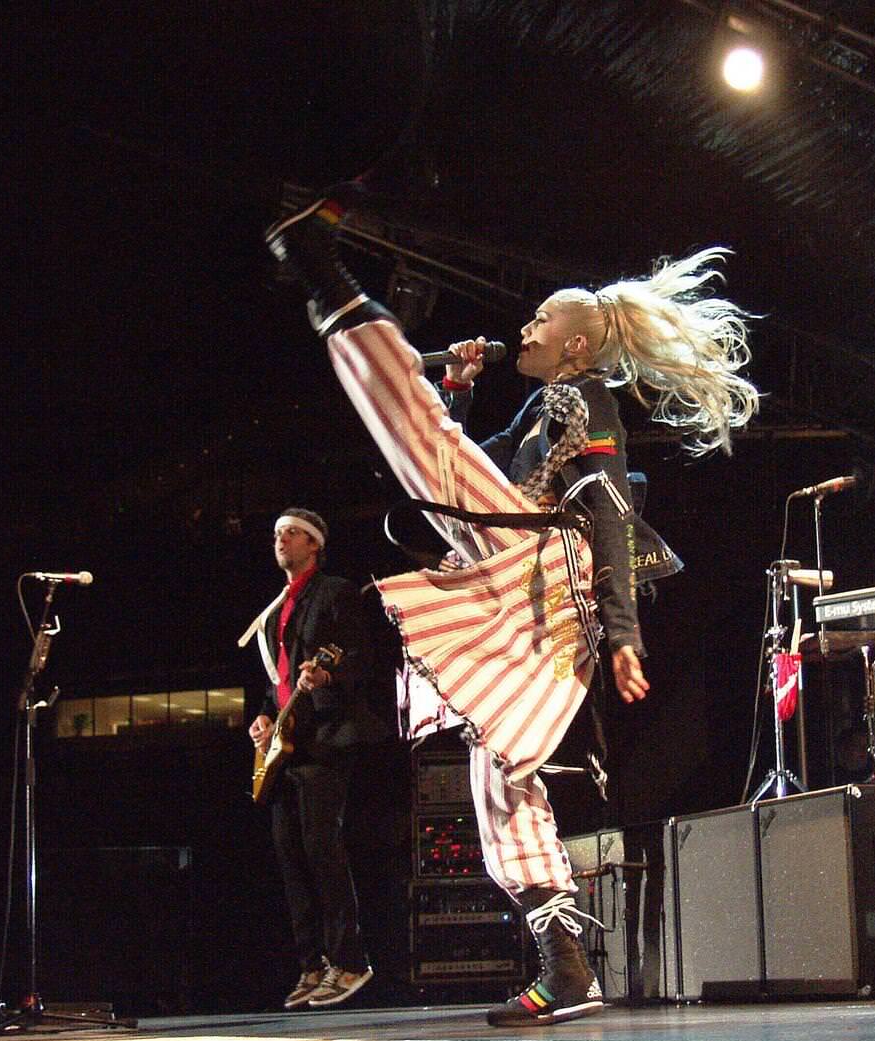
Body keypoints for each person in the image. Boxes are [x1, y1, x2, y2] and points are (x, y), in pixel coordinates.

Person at [265, 195, 758, 1026]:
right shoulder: (546, 408)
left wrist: (625, 630)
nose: (521, 329)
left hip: (546, 577)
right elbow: (459, 482)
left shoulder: (585, 399)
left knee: (431, 447)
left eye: (538, 321)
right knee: (504, 776)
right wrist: (454, 390)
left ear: (573, 345)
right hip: (526, 586)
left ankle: (328, 278)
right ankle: (566, 969)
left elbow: (602, 506)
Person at [239, 508, 390, 1008]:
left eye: (292, 533)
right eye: (277, 532)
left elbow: (363, 656)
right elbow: (278, 678)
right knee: (290, 853)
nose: (281, 539)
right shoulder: (280, 606)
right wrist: (264, 717)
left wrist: (327, 677)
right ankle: (312, 965)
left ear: (315, 545)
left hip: (326, 738)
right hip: (288, 743)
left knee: (322, 849)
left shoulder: (335, 592)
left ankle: (350, 962)